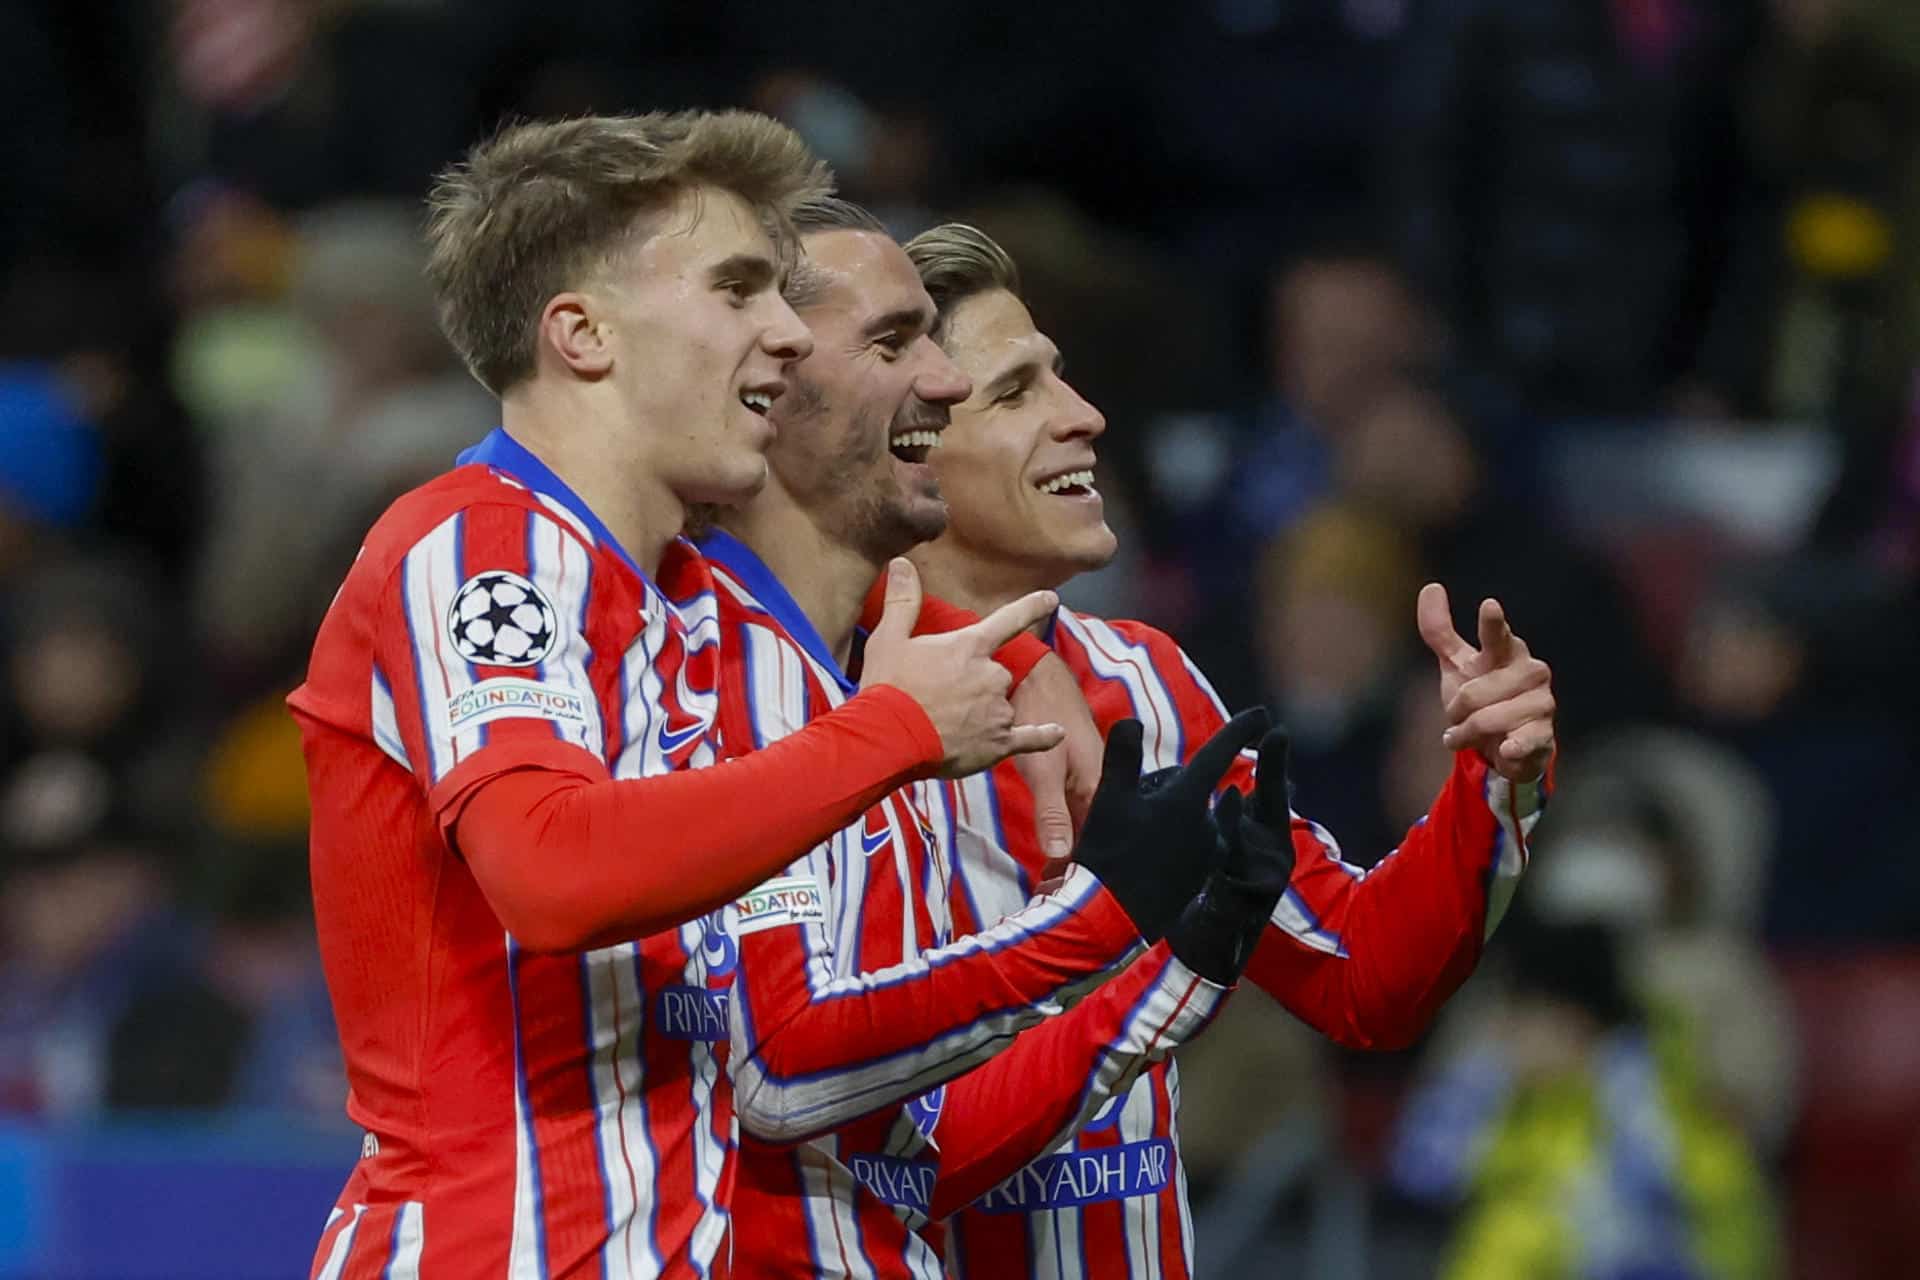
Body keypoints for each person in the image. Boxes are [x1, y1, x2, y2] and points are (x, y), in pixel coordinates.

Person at [290, 113, 1151, 1279]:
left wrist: (1012, 657)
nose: (790, 335)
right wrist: (898, 728)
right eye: (740, 289)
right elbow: (549, 870)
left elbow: (817, 620)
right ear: (584, 334)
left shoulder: (680, 601)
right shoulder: (481, 547)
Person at [896, 222, 1558, 1279]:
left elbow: (1364, 977)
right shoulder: (809, 708)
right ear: (901, 442)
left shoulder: (1149, 681)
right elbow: (882, 1138)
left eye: (1061, 380)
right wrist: (1167, 961)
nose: (1084, 416)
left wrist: (1490, 778)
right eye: (1018, 394)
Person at [696, 197, 1293, 1278]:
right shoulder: (709, 671)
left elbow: (926, 1146)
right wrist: (1097, 916)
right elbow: (782, 1075)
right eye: (893, 343)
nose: (942, 381)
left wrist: (1182, 959)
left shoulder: (865, 687)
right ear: (770, 388)